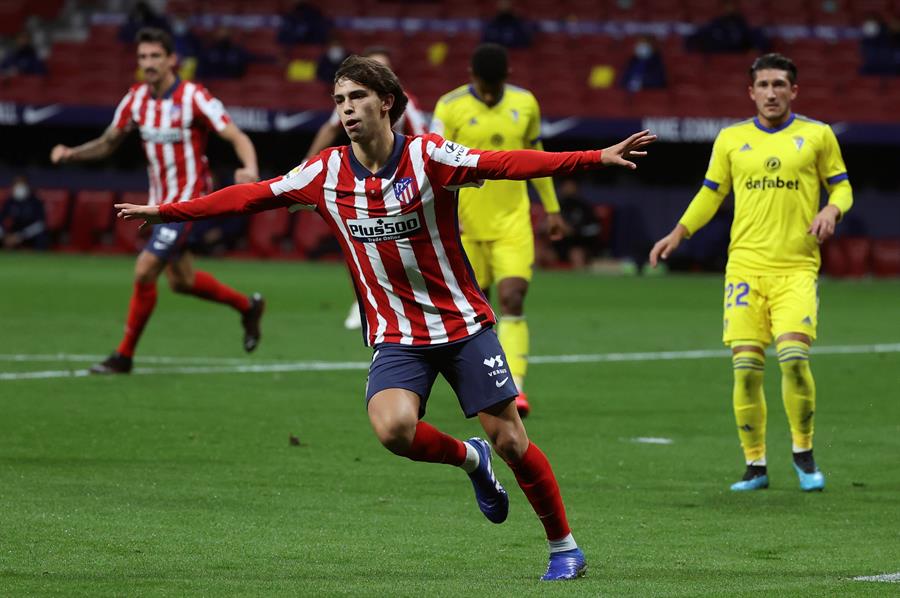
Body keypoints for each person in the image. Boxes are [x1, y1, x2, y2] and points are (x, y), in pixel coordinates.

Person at [115, 54, 656, 580]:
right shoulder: (324, 173)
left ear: (387, 103)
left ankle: (565, 547)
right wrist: (166, 210)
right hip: (397, 334)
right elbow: (250, 196)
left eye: (357, 98)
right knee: (394, 429)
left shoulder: (428, 158)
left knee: (512, 441)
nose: (346, 110)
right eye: (339, 100)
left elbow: (507, 163)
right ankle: (471, 460)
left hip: (462, 324)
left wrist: (592, 157)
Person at [649, 53, 853, 492]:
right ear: (751, 92)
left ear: (794, 90)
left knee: (795, 362)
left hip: (797, 267)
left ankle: (803, 453)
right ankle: (755, 465)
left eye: (780, 84)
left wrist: (833, 209)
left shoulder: (817, 136)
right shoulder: (730, 139)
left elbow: (842, 184)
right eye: (763, 85)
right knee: (745, 370)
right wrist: (677, 234)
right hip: (744, 268)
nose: (772, 92)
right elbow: (710, 194)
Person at [50, 27, 264, 375]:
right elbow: (108, 142)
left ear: (171, 60)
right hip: (157, 203)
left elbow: (235, 135)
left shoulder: (194, 96)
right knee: (182, 281)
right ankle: (247, 307)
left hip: (188, 201)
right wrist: (71, 154)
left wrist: (249, 168)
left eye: (154, 57)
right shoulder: (135, 99)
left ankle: (123, 356)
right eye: (142, 57)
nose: (148, 64)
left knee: (145, 268)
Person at [430, 43, 564, 417]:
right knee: (477, 311)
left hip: (512, 223)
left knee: (513, 299)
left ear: (507, 77)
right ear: (471, 77)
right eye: (483, 86)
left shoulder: (526, 104)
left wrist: (552, 209)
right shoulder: (449, 106)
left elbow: (537, 159)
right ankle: (484, 382)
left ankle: (516, 387)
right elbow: (430, 162)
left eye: (495, 86)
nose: (488, 93)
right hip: (463, 227)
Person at [303, 46, 427, 331]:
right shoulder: (353, 102)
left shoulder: (406, 101)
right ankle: (363, 299)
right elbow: (329, 129)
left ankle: (412, 299)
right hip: (362, 180)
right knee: (358, 241)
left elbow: (422, 136)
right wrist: (305, 164)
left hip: (400, 183)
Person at [0, 176, 49, 250]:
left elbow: (40, 225)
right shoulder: (9, 202)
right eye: (17, 185)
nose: (19, 188)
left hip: (29, 233)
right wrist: (4, 236)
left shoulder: (35, 202)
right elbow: (1, 220)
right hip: (12, 232)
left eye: (22, 185)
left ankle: (37, 258)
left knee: (42, 236)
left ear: (27, 186)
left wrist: (20, 236)